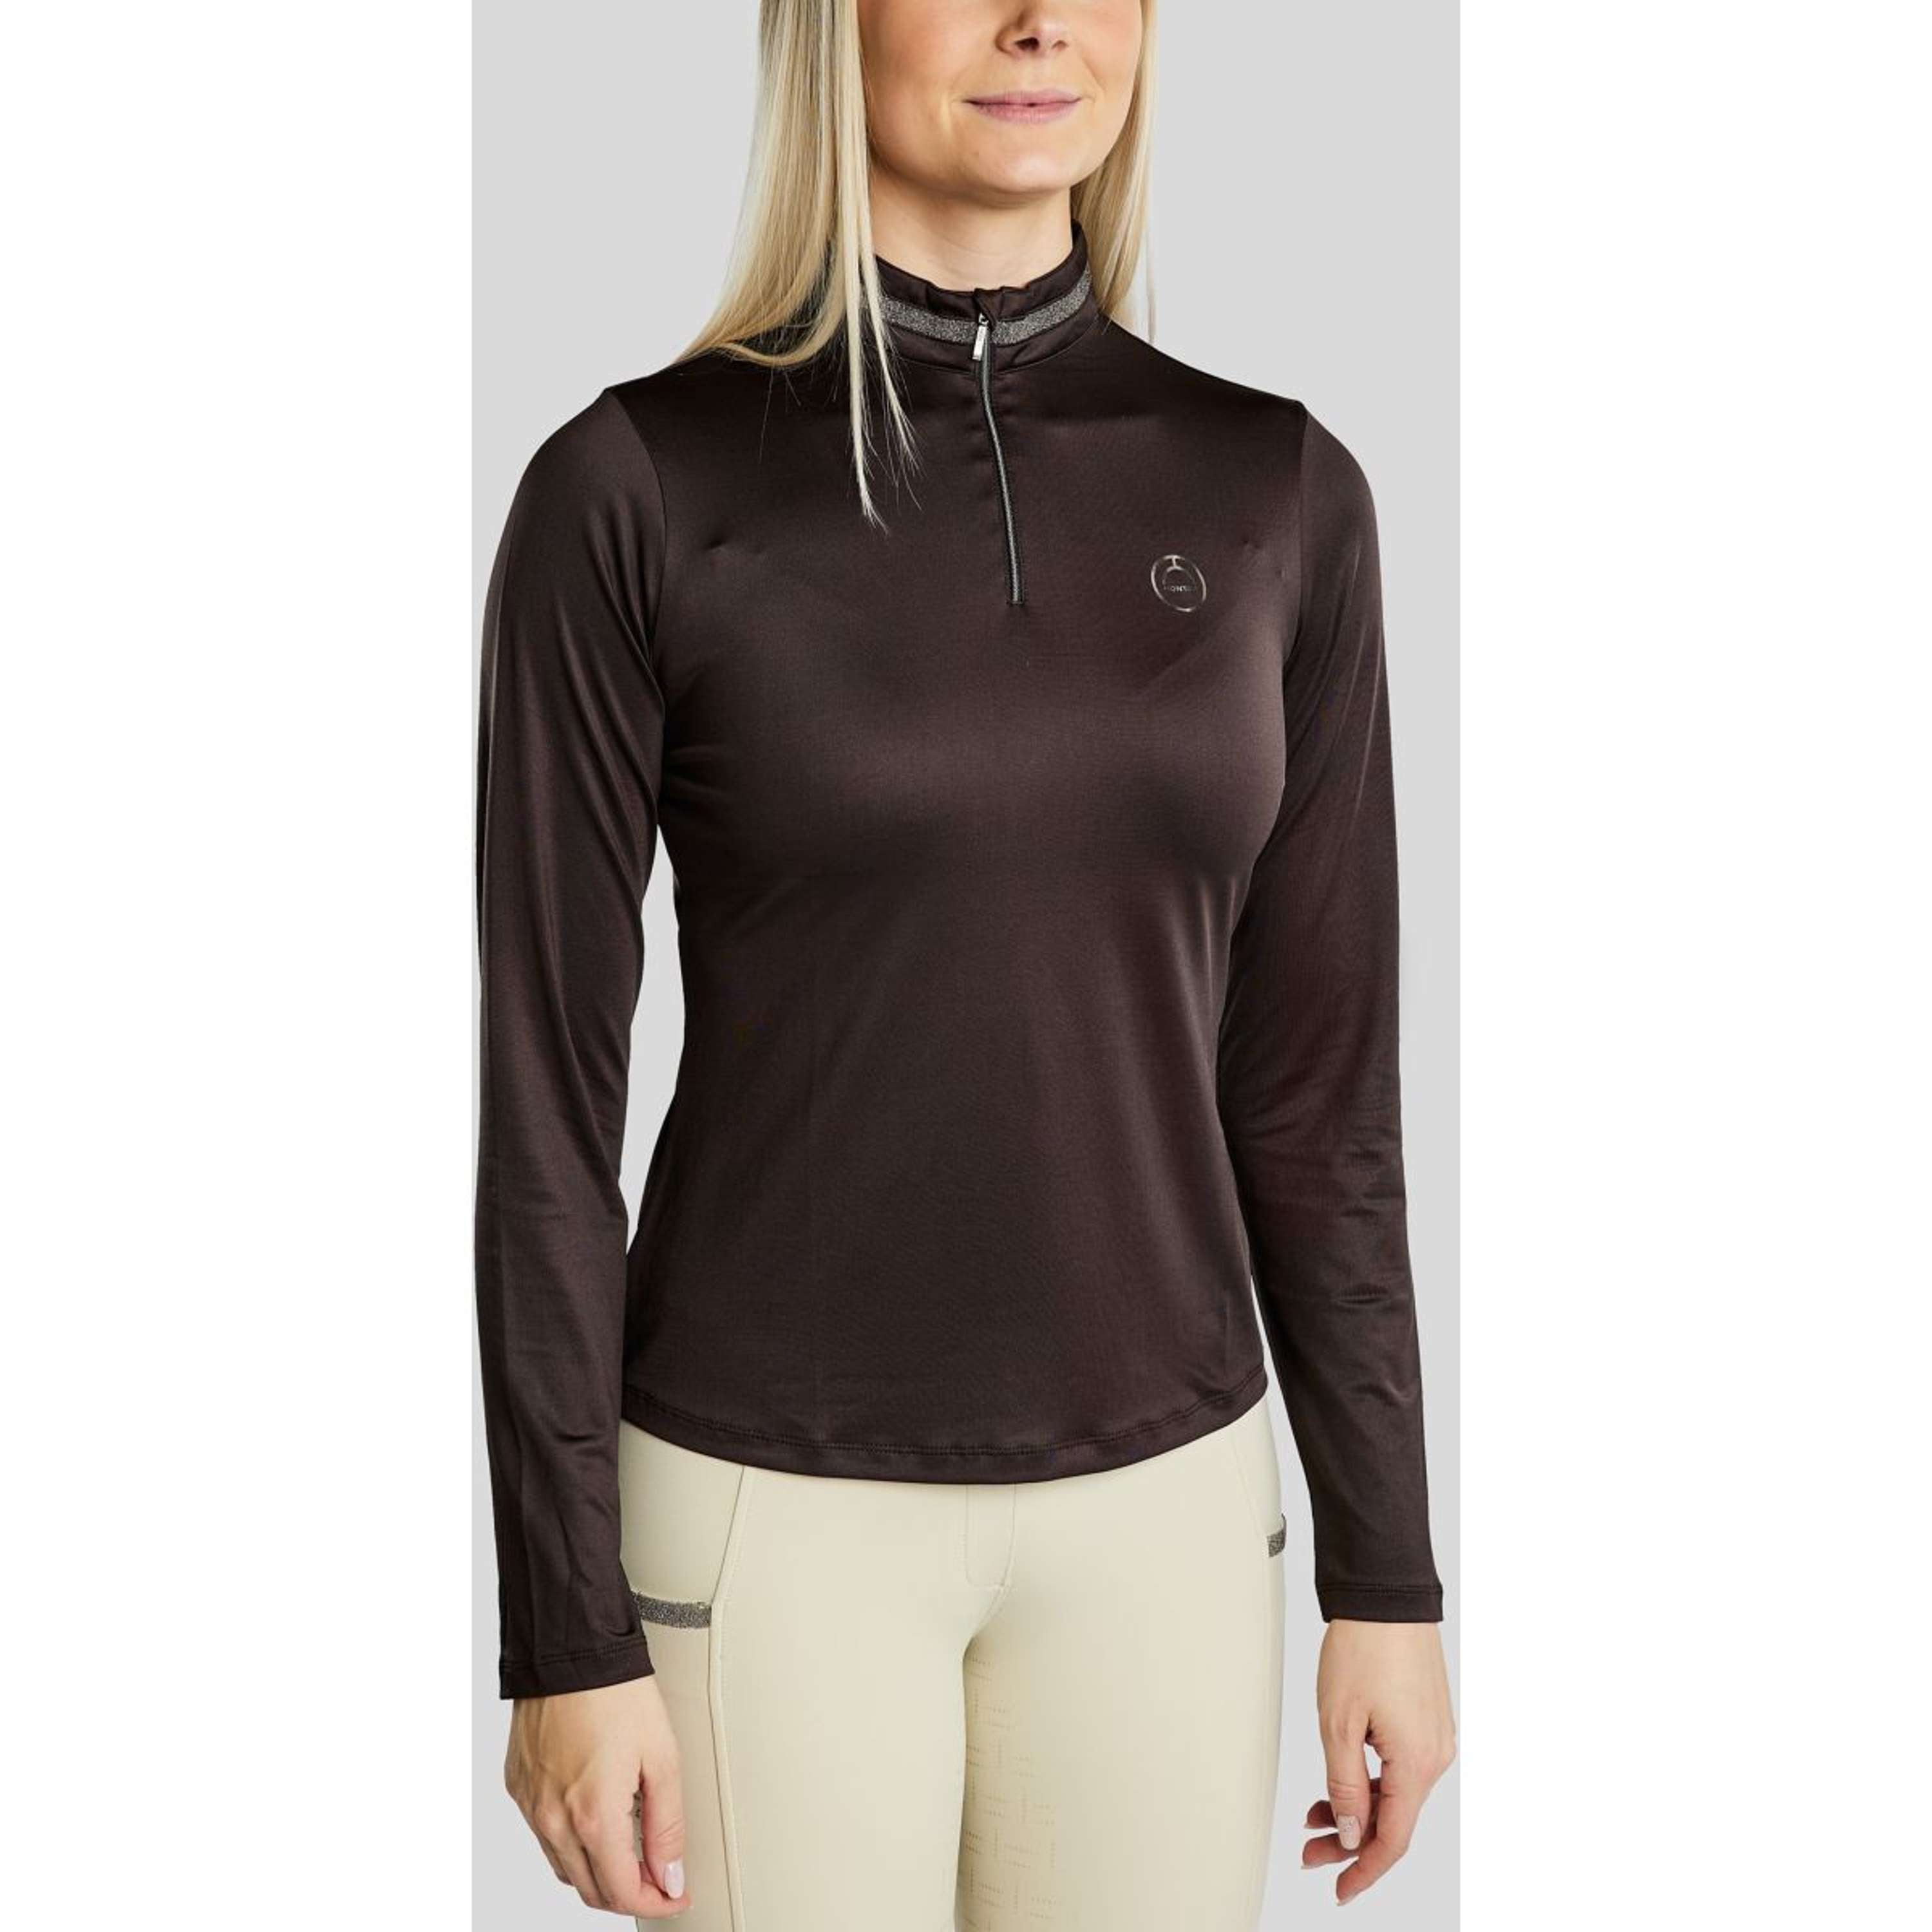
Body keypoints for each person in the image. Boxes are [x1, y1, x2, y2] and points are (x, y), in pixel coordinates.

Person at [474, 3, 1455, 1925]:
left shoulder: (1279, 493)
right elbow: (544, 1127)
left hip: (1170, 1521)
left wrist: (1390, 1578)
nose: (1039, 22)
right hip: (767, 1518)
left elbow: (1321, 1101)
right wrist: (561, 1630)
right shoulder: (637, 487)